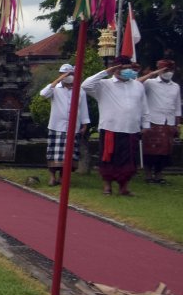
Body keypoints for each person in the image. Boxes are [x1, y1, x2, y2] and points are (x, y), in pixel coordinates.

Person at [82, 56, 148, 196]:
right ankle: (107, 187)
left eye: (127, 68)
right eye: (122, 68)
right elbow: (85, 85)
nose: (125, 71)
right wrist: (107, 71)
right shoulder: (104, 85)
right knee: (108, 159)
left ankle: (124, 187)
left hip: (131, 129)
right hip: (111, 128)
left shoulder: (138, 85)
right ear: (115, 69)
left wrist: (146, 124)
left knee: (129, 161)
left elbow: (144, 107)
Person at [39, 64, 90, 187]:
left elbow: (83, 108)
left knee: (70, 154)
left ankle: (63, 177)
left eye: (70, 74)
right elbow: (43, 94)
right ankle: (52, 176)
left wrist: (85, 123)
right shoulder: (55, 88)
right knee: (54, 154)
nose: (68, 77)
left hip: (73, 127)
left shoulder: (80, 90)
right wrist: (59, 79)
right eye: (65, 74)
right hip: (57, 126)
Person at [140, 59, 180, 184]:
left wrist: (177, 124)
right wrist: (153, 73)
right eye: (166, 70)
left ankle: (159, 174)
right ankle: (148, 174)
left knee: (165, 151)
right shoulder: (150, 83)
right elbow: (137, 83)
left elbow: (177, 106)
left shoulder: (175, 86)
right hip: (152, 120)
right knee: (150, 150)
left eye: (171, 70)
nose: (168, 73)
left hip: (168, 122)